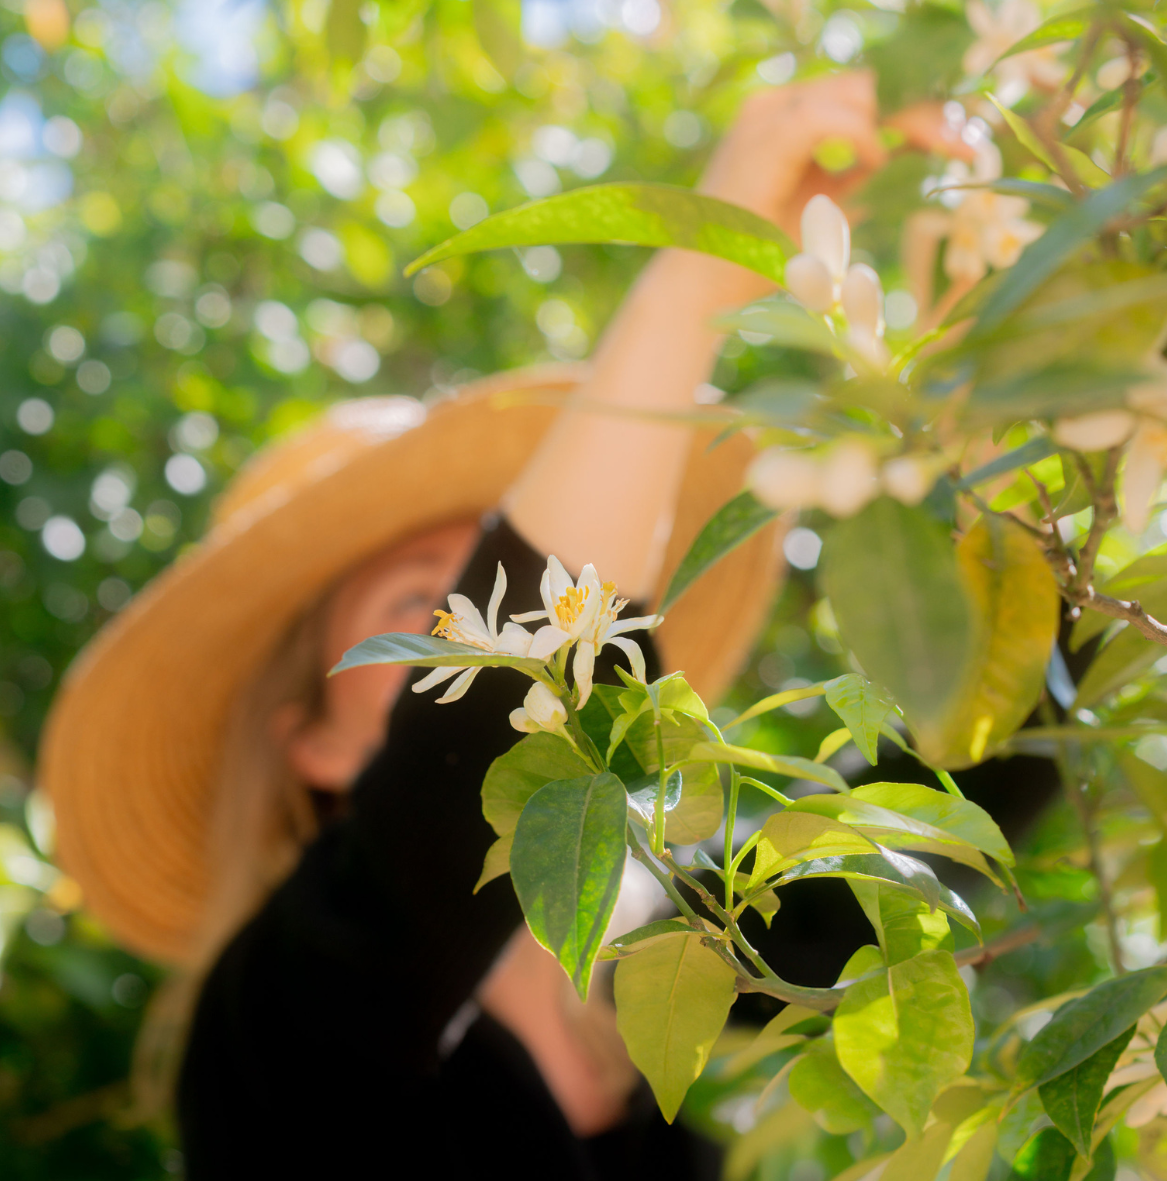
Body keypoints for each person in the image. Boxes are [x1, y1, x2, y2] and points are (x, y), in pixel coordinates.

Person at [40, 74, 963, 1176]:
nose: (472, 624)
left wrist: (1001, 375)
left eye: (480, 577)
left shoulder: (667, 971)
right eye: (414, 610)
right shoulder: (275, 1024)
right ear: (312, 743)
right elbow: (479, 732)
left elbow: (940, 796)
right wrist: (702, 264)